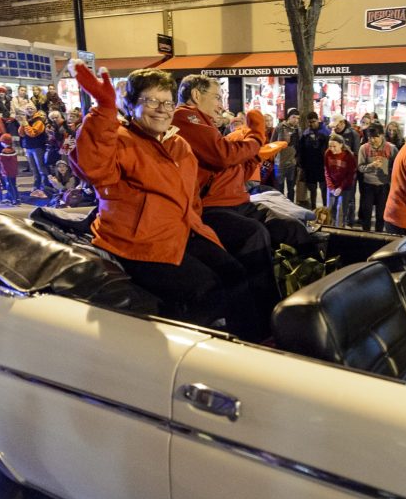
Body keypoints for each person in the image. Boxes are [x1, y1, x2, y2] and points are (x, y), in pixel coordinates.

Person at [68, 62, 256, 337]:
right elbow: (93, 167)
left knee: (236, 272)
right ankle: (194, 353)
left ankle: (250, 343)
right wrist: (104, 109)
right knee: (206, 289)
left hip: (180, 231)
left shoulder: (177, 144)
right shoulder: (119, 139)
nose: (162, 109)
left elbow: (191, 195)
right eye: (151, 101)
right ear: (131, 106)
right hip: (137, 241)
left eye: (167, 103)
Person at [173, 75, 279, 331]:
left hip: (224, 205)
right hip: (202, 211)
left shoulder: (205, 125)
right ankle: (267, 321)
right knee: (253, 236)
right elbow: (222, 156)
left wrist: (253, 156)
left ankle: (286, 307)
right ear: (196, 96)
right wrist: (255, 140)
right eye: (217, 97)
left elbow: (231, 166)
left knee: (291, 229)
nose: (221, 105)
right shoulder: (185, 116)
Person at [357, 123, 396, 232]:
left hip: (383, 186)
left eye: (375, 137)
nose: (372, 140)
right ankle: (365, 236)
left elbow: (396, 166)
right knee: (366, 213)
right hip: (368, 185)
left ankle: (378, 235)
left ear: (382, 135)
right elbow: (360, 168)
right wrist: (371, 166)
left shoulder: (391, 148)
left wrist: (388, 173)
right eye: (370, 137)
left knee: (381, 214)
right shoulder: (364, 148)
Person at [296, 111, 330, 209]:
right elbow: (301, 149)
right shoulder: (306, 133)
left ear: (318, 120)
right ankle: (314, 208)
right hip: (310, 166)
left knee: (324, 188)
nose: (311, 124)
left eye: (313, 121)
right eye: (309, 122)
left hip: (322, 166)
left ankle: (325, 209)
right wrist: (301, 164)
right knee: (312, 189)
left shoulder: (326, 132)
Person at [324, 133, 357, 227]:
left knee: (341, 210)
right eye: (330, 146)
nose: (332, 148)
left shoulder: (349, 156)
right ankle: (330, 228)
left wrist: (340, 188)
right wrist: (331, 187)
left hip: (344, 187)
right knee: (329, 209)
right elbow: (326, 171)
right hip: (331, 185)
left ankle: (339, 228)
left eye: (334, 146)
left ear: (341, 145)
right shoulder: (327, 153)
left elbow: (350, 175)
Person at [271, 107, 300, 200]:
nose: (296, 120)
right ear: (288, 117)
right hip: (279, 164)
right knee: (279, 189)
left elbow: (299, 145)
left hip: (291, 163)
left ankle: (291, 207)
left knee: (291, 188)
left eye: (298, 118)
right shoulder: (280, 127)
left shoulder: (298, 129)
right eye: (294, 117)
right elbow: (272, 142)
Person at [0, 133, 20, 205]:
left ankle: (13, 199)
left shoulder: (4, 151)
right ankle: (17, 198)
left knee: (9, 186)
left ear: (4, 142)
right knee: (14, 185)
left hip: (6, 172)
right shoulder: (13, 150)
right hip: (13, 171)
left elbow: (1, 160)